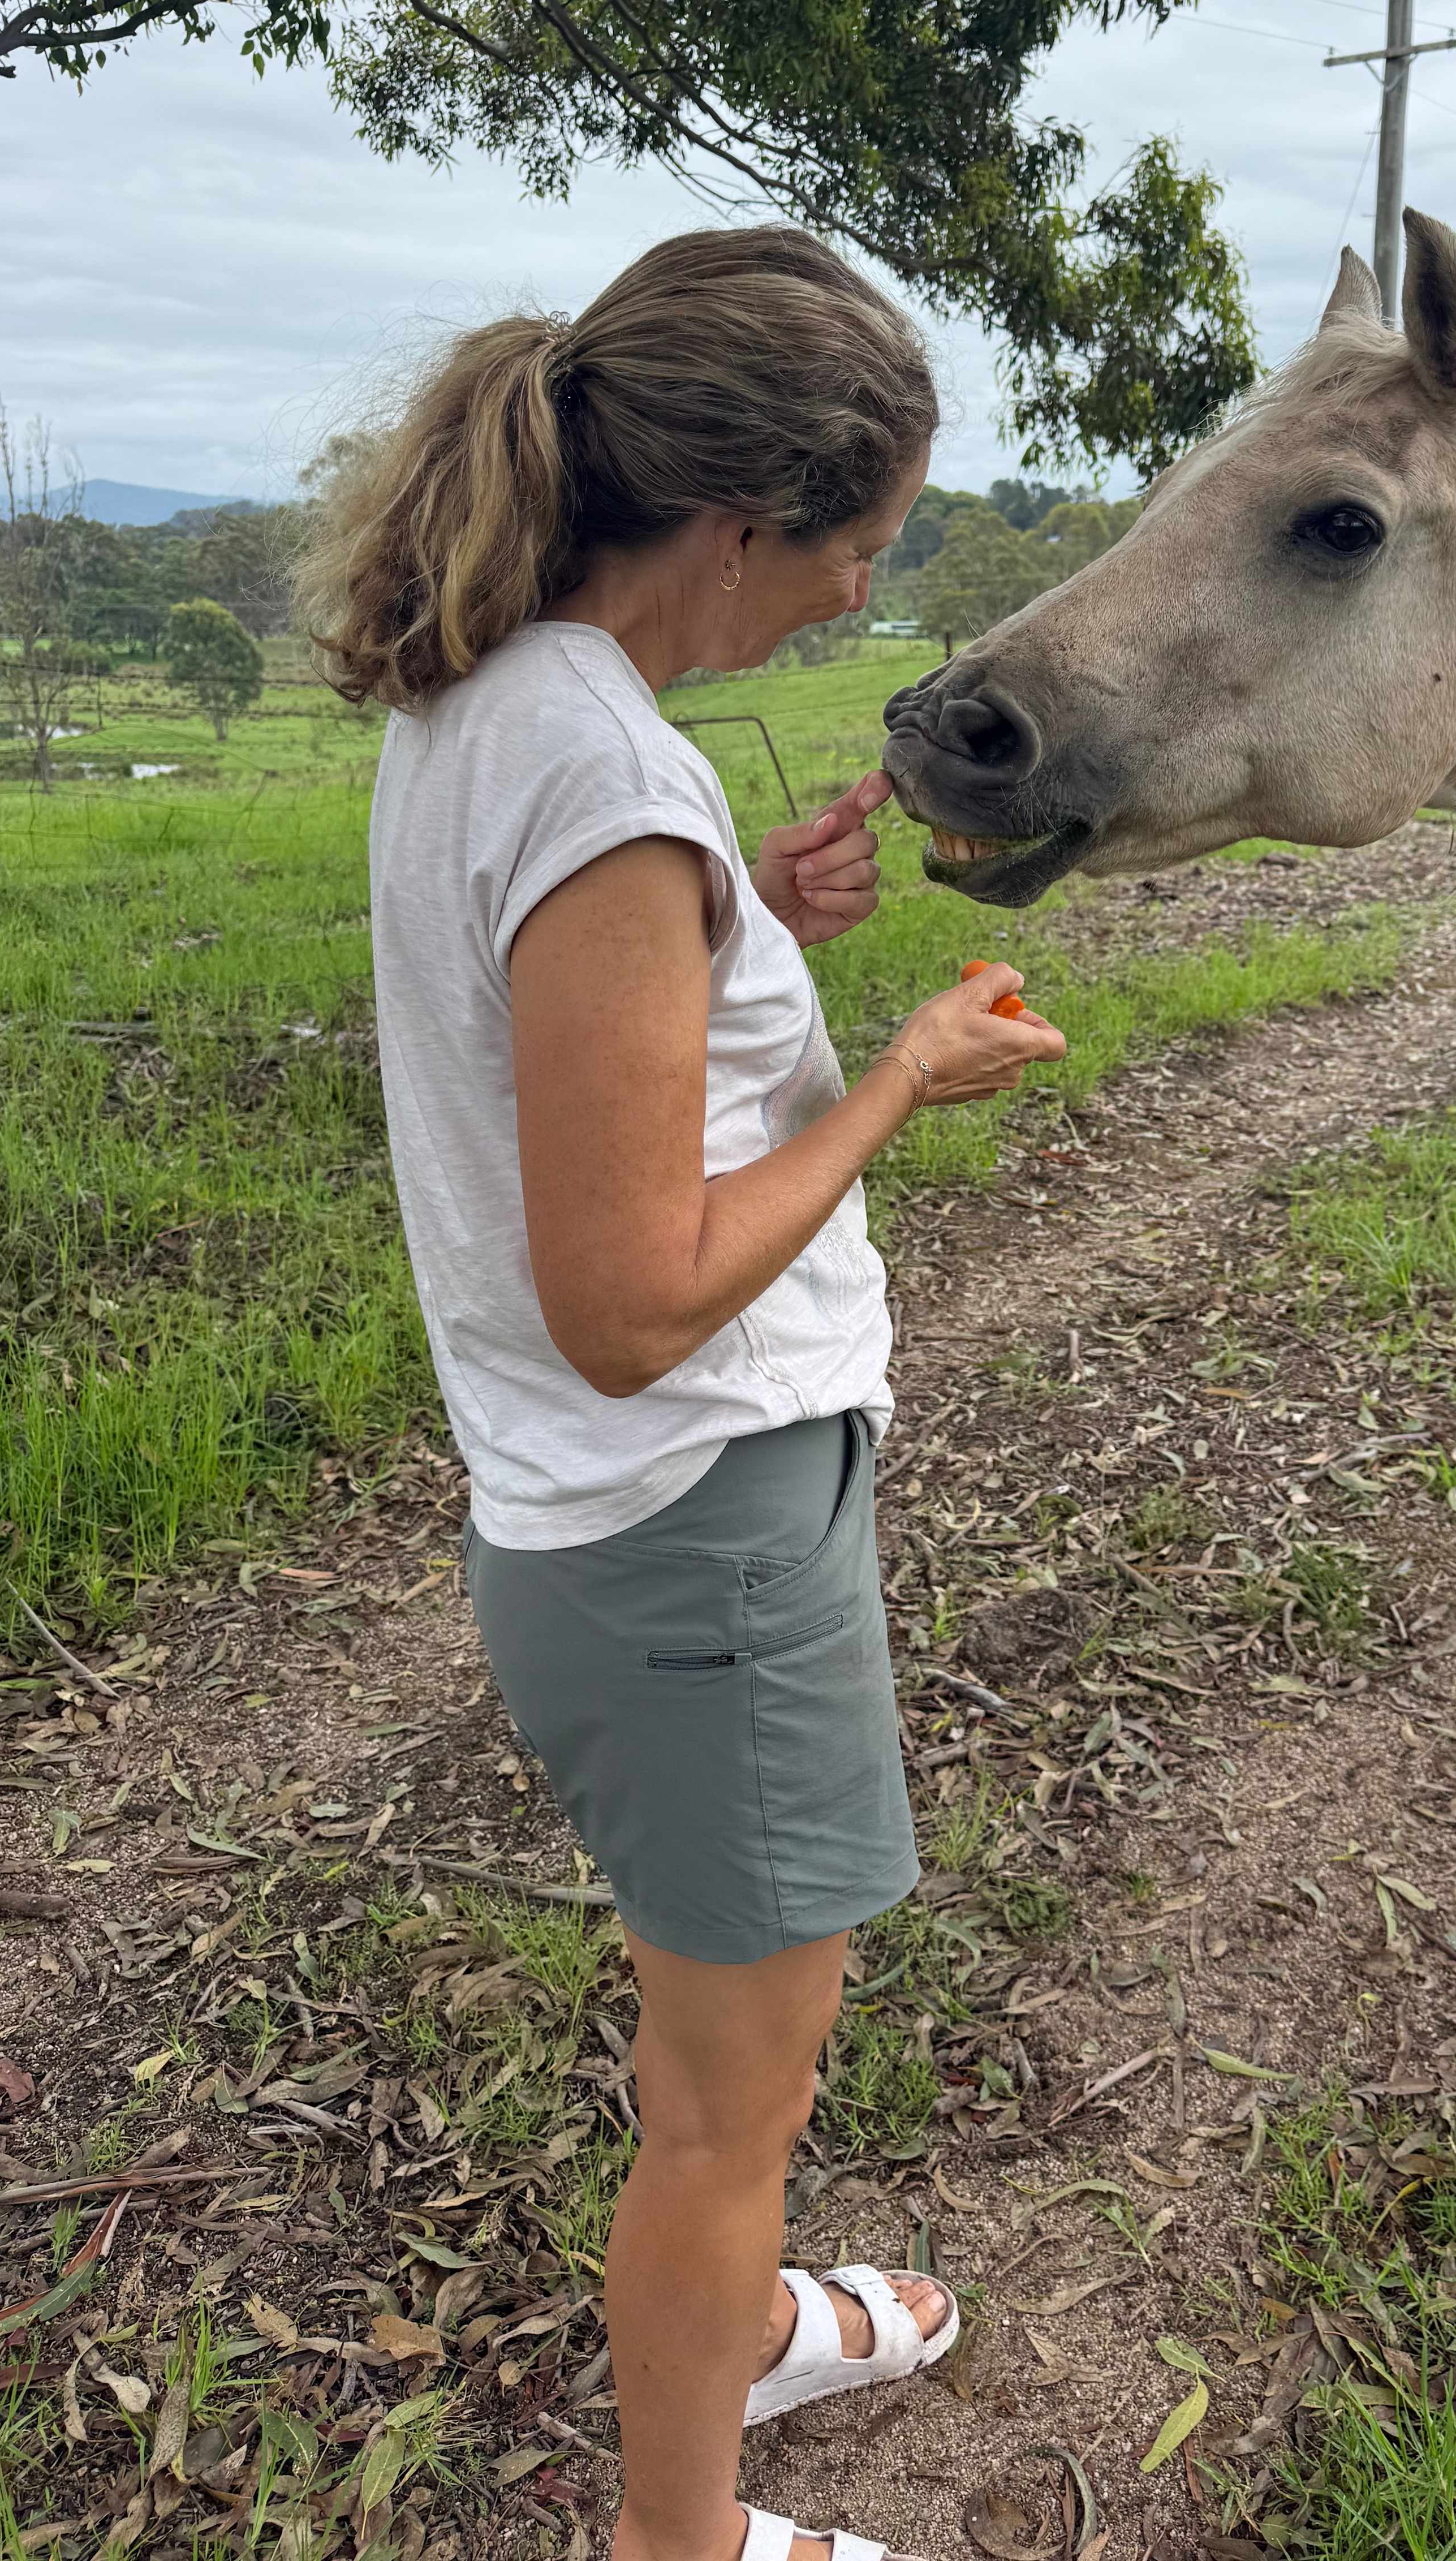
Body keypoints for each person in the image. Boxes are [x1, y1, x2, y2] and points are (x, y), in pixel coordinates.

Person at [307, 227, 1065, 2561]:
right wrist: (905, 1074)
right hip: (687, 1520)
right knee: (725, 2114)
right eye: (858, 548)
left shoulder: (522, 706)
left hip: (643, 1526)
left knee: (728, 2066)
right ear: (741, 523)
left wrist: (752, 912)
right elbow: (631, 1297)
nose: (856, 597)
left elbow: (587, 1016)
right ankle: (684, 2532)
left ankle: (724, 2336)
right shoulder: (603, 778)